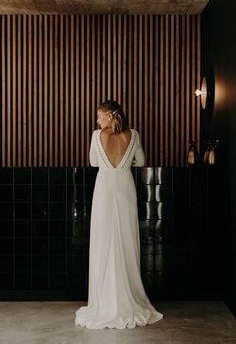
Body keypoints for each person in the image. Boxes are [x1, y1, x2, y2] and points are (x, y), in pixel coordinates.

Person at [75, 100, 163, 329]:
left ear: (110, 116)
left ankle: (104, 302)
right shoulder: (133, 134)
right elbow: (142, 162)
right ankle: (128, 298)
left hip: (104, 187)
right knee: (125, 240)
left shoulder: (96, 135)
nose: (97, 121)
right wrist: (126, 161)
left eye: (99, 116)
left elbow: (94, 162)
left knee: (103, 241)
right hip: (125, 186)